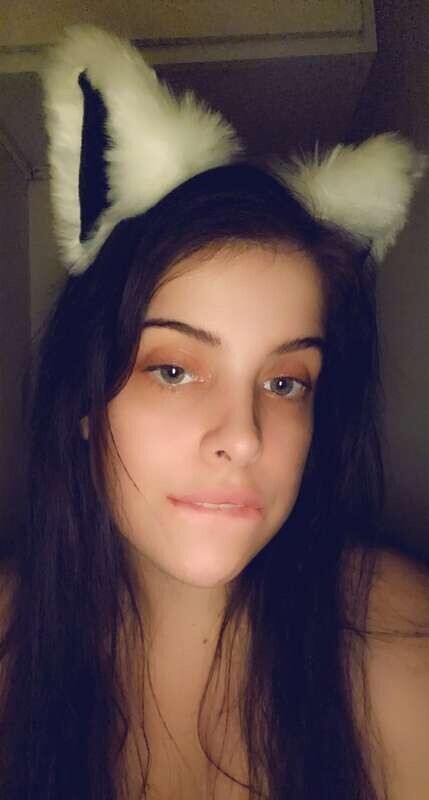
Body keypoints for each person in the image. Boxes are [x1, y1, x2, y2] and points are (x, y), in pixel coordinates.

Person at [0, 24, 428, 800]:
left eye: (285, 382)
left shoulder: (398, 637)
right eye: (173, 370)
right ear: (86, 401)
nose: (242, 437)